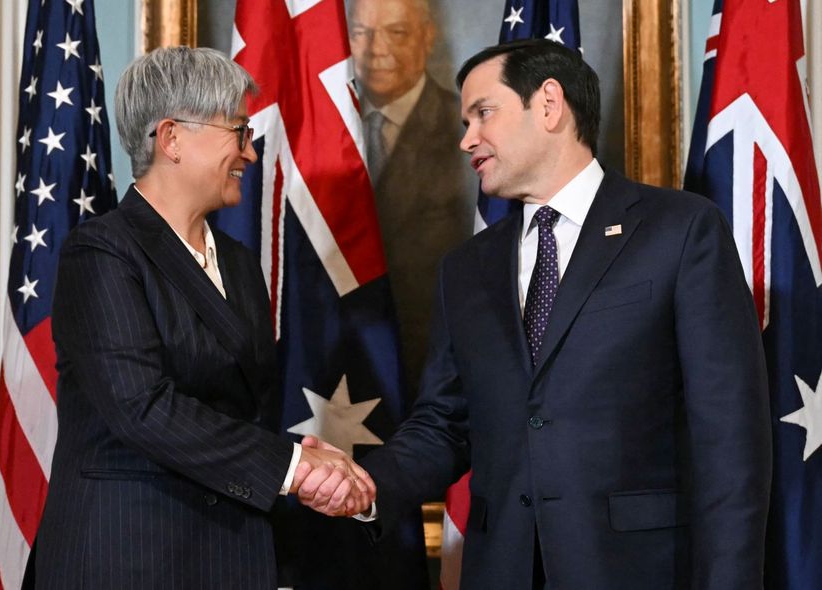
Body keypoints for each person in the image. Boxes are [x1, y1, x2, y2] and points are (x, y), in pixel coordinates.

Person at [306, 39, 773, 588]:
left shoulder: (681, 231)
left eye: (483, 114)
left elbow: (729, 437)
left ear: (549, 104)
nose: (466, 140)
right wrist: (363, 483)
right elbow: (444, 424)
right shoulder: (466, 267)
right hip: (502, 570)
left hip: (639, 572)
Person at [31, 46, 372, 589]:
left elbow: (231, 410)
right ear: (171, 139)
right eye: (238, 132)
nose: (251, 154)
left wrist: (300, 455)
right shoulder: (102, 252)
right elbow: (142, 406)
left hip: (226, 554)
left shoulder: (236, 263)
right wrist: (291, 467)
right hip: (128, 558)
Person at [348, 0, 474, 399]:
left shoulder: (468, 132)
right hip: (336, 372)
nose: (375, 49)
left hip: (437, 374)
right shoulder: (316, 132)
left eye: (397, 32)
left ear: (427, 37)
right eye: (360, 32)